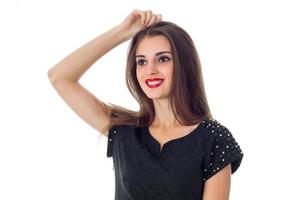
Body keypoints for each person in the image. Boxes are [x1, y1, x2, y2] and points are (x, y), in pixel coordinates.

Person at [48, 9, 244, 200]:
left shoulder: (214, 139)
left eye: (163, 59)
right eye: (141, 62)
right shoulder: (124, 130)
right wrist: (121, 33)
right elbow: (60, 77)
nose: (150, 70)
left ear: (185, 64)